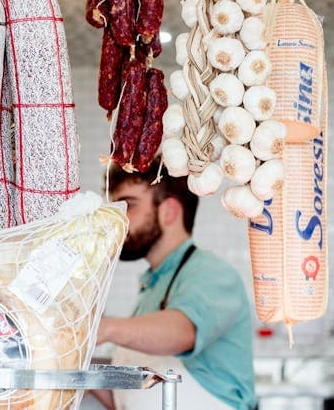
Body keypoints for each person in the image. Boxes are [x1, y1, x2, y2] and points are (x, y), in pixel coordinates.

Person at [90, 161, 256, 410]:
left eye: (127, 205)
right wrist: (73, 364)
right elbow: (132, 399)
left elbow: (182, 332)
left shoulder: (211, 273)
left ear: (169, 212)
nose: (117, 219)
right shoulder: (153, 284)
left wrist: (99, 329)